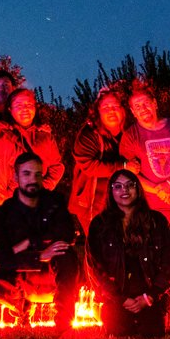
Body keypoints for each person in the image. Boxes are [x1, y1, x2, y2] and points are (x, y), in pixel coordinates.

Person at [0, 152, 82, 333]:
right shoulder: (4, 212)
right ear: (16, 177)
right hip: (22, 274)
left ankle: (63, 321)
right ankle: (22, 310)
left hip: (51, 272)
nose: (33, 179)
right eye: (26, 174)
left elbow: (66, 236)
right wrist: (38, 254)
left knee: (66, 257)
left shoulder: (55, 204)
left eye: (37, 174)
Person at [120, 85, 170, 307]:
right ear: (132, 112)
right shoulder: (131, 136)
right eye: (137, 106)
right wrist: (158, 189)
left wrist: (169, 185)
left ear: (155, 103)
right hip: (147, 203)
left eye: (146, 103)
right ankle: (153, 290)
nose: (142, 109)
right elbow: (130, 173)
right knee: (147, 249)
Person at [86, 168, 170, 337]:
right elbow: (95, 267)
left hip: (149, 293)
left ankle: (161, 307)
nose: (124, 190)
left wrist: (151, 296)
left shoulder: (157, 221)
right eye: (118, 186)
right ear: (111, 191)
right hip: (118, 296)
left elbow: (169, 260)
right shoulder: (100, 225)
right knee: (118, 331)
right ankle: (113, 312)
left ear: (138, 189)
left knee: (152, 332)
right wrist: (119, 298)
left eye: (130, 185)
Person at [0, 88, 64, 208]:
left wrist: (43, 187)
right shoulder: (0, 135)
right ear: (10, 109)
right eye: (19, 105)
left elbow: (57, 167)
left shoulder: (45, 136)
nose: (25, 109)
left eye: (29, 104)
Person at [68, 88, 127, 231]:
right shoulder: (89, 134)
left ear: (123, 110)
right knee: (99, 241)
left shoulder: (129, 133)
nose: (111, 111)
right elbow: (89, 166)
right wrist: (123, 166)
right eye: (105, 107)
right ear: (98, 112)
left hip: (120, 202)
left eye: (115, 106)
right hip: (93, 203)